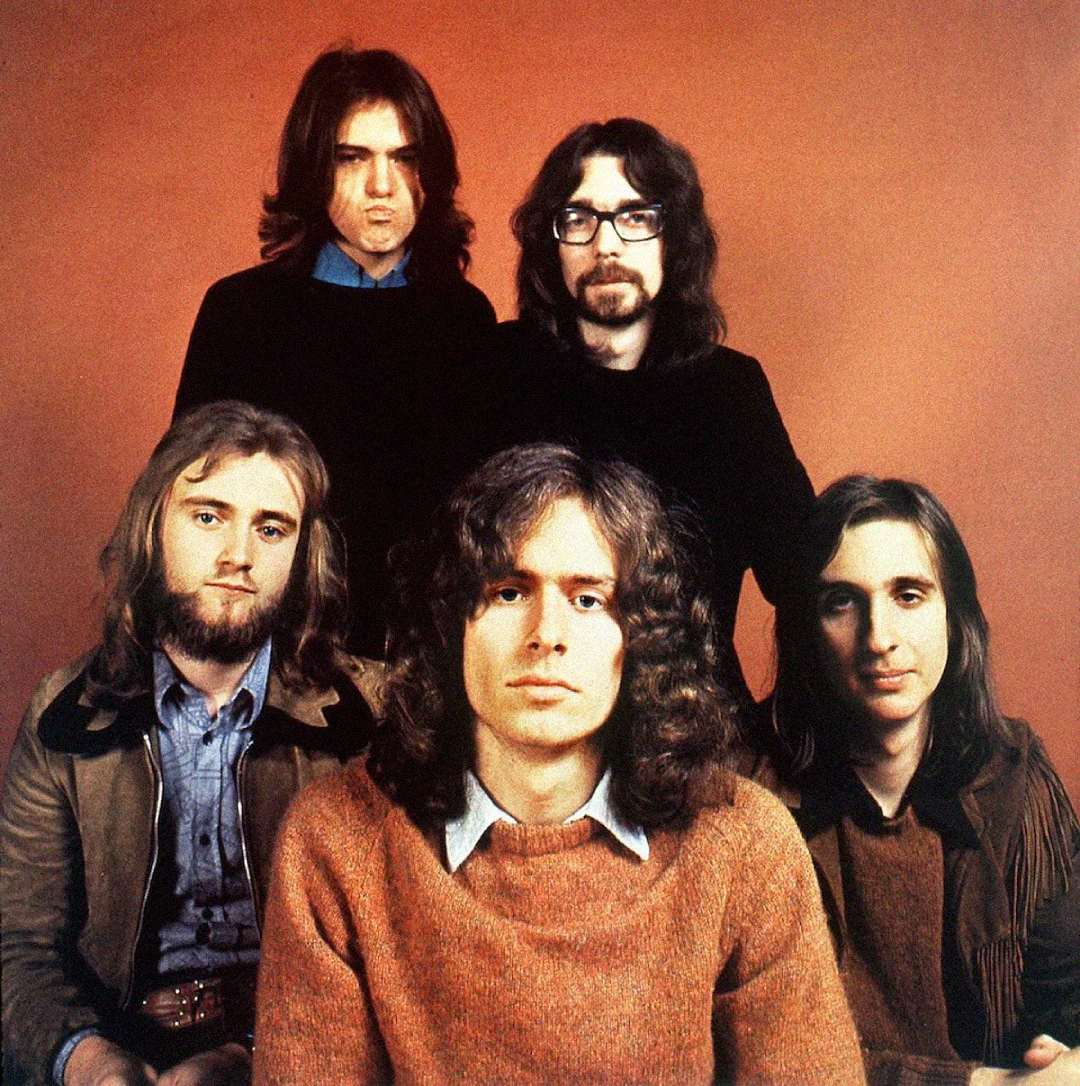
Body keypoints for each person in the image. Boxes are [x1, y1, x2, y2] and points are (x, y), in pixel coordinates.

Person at [252, 443, 863, 1085]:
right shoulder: (334, 840)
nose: (548, 633)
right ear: (449, 623)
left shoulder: (746, 845)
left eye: (590, 599)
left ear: (644, 638)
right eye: (509, 592)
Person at [1, 401, 374, 1086]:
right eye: (208, 516)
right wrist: (90, 1065)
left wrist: (249, 1058)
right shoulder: (62, 717)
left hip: (299, 1052)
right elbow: (19, 948)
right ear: (154, 528)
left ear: (301, 552)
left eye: (271, 528)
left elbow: (392, 948)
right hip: (114, 1040)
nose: (238, 556)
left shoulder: (366, 719)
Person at [744, 475, 1080, 1084]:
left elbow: (1070, 986)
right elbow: (762, 1055)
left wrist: (1059, 1052)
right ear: (805, 631)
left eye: (908, 595)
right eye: (842, 602)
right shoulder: (749, 800)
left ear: (955, 616)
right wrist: (985, 1083)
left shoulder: (1016, 779)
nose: (879, 638)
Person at [174, 46, 496, 657]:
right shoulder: (240, 313)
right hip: (269, 655)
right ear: (313, 171)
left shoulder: (466, 320)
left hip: (424, 660)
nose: (382, 187)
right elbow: (189, 513)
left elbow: (478, 525)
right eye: (353, 159)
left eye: (404, 159)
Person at [485, 117, 814, 706]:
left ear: (675, 239)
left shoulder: (731, 392)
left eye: (635, 218)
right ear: (551, 244)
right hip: (531, 723)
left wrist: (790, 740)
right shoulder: (496, 374)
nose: (606, 244)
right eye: (579, 219)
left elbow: (806, 582)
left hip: (694, 732)